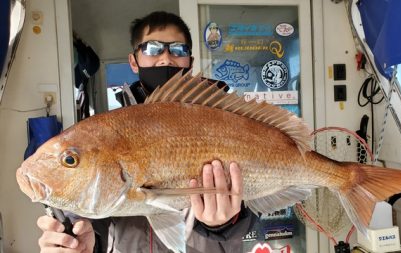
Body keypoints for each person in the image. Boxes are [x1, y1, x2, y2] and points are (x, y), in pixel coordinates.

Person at [36, 11, 256, 253]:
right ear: (133, 61)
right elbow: (97, 218)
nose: (165, 59)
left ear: (190, 62)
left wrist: (223, 225)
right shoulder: (109, 134)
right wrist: (84, 245)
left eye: (178, 50)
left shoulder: (222, 116)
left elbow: (254, 214)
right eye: (152, 49)